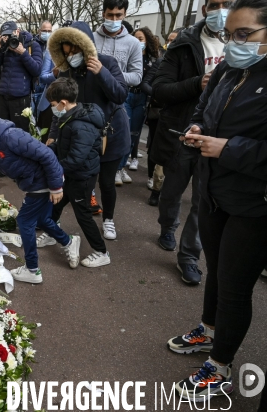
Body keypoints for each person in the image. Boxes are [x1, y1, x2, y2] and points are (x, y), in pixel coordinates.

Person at [166, 0, 267, 401]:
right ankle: (208, 332)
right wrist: (197, 128)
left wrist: (228, 148)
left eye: (245, 35)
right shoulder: (228, 68)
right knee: (216, 270)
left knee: (236, 287)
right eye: (231, 35)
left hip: (254, 203)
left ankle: (220, 366)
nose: (234, 44)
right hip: (212, 191)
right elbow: (204, 110)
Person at [0, 109, 81, 283]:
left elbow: (47, 154)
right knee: (43, 220)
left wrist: (56, 186)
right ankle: (69, 241)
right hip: (36, 182)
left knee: (25, 221)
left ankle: (32, 269)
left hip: (43, 182)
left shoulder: (11, 137)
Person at [151, 0, 228, 285]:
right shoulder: (183, 43)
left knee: (202, 200)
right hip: (183, 135)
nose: (221, 10)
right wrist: (198, 83)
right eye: (215, 4)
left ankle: (189, 257)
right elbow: (160, 89)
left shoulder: (250, 44)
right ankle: (167, 226)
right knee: (171, 192)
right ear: (205, 8)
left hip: (219, 138)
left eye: (228, 3)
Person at [47, 21, 130, 241]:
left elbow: (121, 95)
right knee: (75, 179)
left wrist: (101, 73)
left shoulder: (107, 63)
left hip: (111, 134)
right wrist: (53, 135)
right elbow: (60, 106)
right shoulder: (66, 72)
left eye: (75, 49)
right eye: (67, 51)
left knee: (107, 181)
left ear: (85, 45)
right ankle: (51, 220)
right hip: (83, 139)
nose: (72, 55)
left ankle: (109, 219)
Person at [42, 78, 110, 268]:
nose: (53, 109)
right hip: (73, 173)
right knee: (55, 203)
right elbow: (64, 146)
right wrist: (47, 151)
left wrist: (53, 167)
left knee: (83, 215)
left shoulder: (81, 125)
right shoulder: (71, 117)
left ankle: (102, 251)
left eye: (54, 105)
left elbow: (76, 159)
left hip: (82, 176)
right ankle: (51, 232)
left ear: (63, 103)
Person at [93, 0, 143, 185]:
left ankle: (115, 171)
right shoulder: (91, 38)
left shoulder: (133, 43)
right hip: (91, 101)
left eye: (118, 16)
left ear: (125, 15)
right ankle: (88, 189)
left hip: (117, 102)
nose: (114, 19)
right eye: (110, 15)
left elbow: (137, 76)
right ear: (103, 14)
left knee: (113, 145)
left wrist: (108, 74)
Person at [143, 27, 184, 205]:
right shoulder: (161, 62)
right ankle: (155, 188)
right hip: (159, 113)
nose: (171, 43)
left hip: (182, 116)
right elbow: (146, 83)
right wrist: (160, 94)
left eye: (175, 40)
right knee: (157, 151)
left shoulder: (190, 65)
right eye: (169, 40)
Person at [118, 27, 159, 179]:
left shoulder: (154, 60)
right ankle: (118, 168)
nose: (137, 41)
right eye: (135, 38)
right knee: (124, 134)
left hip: (142, 99)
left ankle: (122, 166)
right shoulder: (129, 55)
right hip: (127, 95)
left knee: (134, 135)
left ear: (147, 41)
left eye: (140, 39)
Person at [0, 21, 43, 132]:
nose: (8, 38)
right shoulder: (4, 48)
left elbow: (37, 70)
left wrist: (23, 53)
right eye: (5, 35)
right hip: (4, 98)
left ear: (17, 31)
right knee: (3, 132)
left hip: (21, 99)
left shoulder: (32, 45)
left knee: (19, 133)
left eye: (10, 34)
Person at [32, 21, 53, 120]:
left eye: (49, 31)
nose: (47, 33)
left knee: (42, 117)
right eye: (44, 31)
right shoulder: (32, 45)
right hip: (34, 85)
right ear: (39, 31)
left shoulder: (53, 46)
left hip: (46, 86)